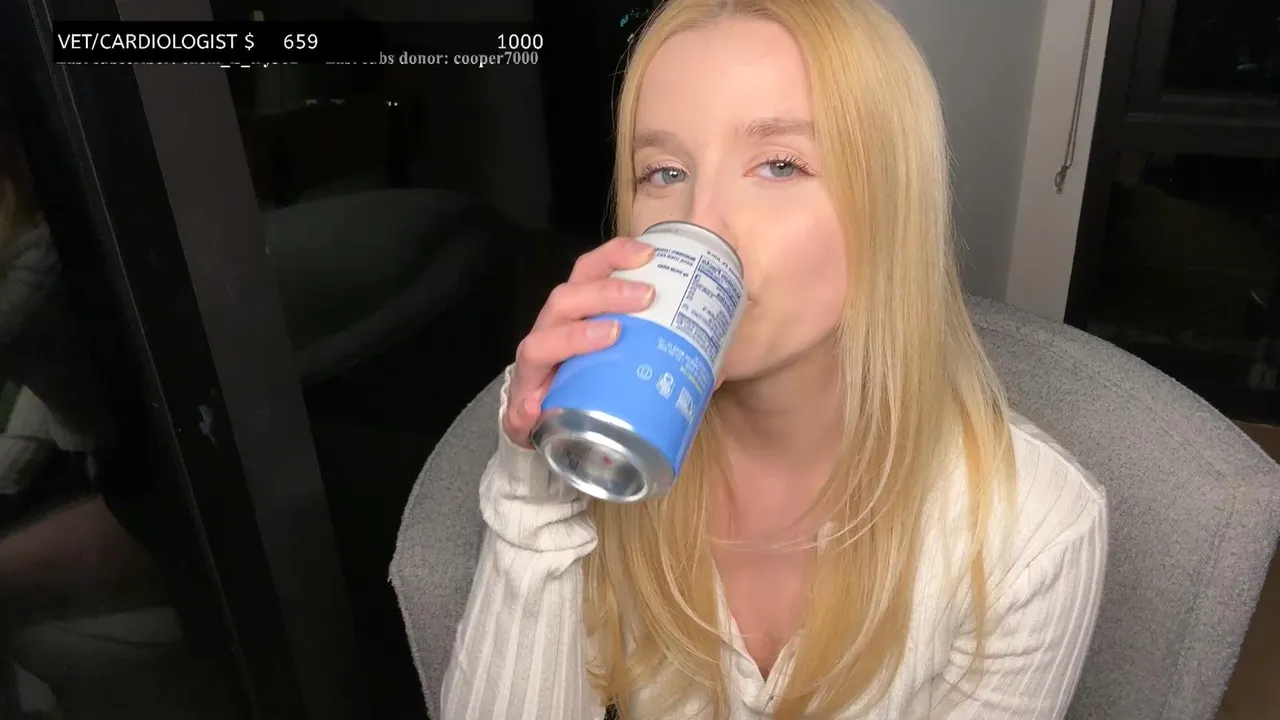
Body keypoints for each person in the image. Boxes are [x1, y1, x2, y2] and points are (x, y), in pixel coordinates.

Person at [409, 0, 1108, 716]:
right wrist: (536, 490)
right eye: (664, 172)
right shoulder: (612, 427)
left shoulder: (1032, 527)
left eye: (779, 164)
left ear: (890, 204)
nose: (701, 222)